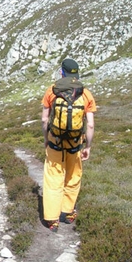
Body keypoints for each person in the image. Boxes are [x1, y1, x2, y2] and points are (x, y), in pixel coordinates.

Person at [41, 58, 97, 232]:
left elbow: (44, 119)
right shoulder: (85, 93)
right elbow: (90, 125)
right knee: (73, 176)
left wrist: (46, 138)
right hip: (75, 144)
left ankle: (52, 219)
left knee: (53, 178)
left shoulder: (52, 90)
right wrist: (87, 146)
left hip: (55, 142)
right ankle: (67, 212)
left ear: (61, 72)